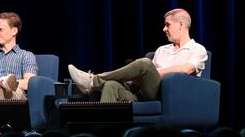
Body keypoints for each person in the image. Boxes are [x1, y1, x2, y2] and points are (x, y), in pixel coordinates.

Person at [68, 8, 207, 103]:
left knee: (145, 63)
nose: (164, 29)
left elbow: (186, 69)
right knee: (111, 85)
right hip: (144, 93)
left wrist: (153, 72)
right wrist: (138, 77)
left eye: (167, 25)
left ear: (181, 25)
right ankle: (104, 134)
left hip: (172, 96)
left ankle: (93, 81)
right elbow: (148, 81)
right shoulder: (161, 50)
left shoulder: (197, 49)